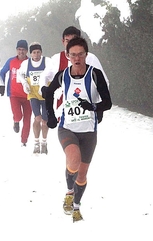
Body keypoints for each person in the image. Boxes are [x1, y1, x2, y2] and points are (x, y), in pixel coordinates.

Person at [44, 37, 112, 222]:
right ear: (67, 56)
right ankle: (68, 191)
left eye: (80, 54)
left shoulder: (95, 74)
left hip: (89, 131)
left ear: (86, 55)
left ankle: (76, 206)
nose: (77, 58)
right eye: (73, 55)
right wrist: (50, 115)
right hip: (67, 128)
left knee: (82, 173)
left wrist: (94, 107)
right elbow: (48, 92)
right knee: (73, 159)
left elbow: (108, 102)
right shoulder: (63, 75)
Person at [39, 26, 109, 122]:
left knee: (86, 135)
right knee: (66, 135)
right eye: (67, 40)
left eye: (74, 40)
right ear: (63, 41)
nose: (70, 43)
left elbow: (104, 82)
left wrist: (99, 107)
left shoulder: (90, 58)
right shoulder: (56, 59)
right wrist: (43, 88)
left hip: (88, 110)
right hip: (64, 109)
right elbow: (44, 75)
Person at [17, 42, 52, 154]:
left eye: (38, 52)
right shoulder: (26, 64)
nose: (36, 55)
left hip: (45, 95)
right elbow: (19, 74)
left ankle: (44, 143)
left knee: (45, 121)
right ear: (30, 54)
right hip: (32, 94)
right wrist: (24, 83)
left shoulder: (47, 61)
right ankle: (36, 143)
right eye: (34, 53)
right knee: (37, 118)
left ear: (41, 53)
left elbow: (55, 73)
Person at [0, 40, 32, 147]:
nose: (21, 52)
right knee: (18, 116)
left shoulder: (31, 62)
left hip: (29, 95)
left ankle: (24, 140)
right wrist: (2, 85)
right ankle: (16, 121)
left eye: (23, 50)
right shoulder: (11, 61)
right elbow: (2, 72)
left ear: (27, 51)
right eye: (19, 49)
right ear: (16, 50)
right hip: (14, 95)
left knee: (27, 118)